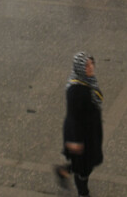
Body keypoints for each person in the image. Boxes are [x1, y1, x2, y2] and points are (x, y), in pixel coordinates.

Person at [54, 52, 104, 196]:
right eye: (87, 65)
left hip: (89, 130)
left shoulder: (86, 80)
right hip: (80, 135)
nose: (91, 67)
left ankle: (64, 171)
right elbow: (73, 117)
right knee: (84, 167)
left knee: (87, 161)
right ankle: (83, 193)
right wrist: (74, 140)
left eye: (91, 63)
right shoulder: (76, 91)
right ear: (80, 68)